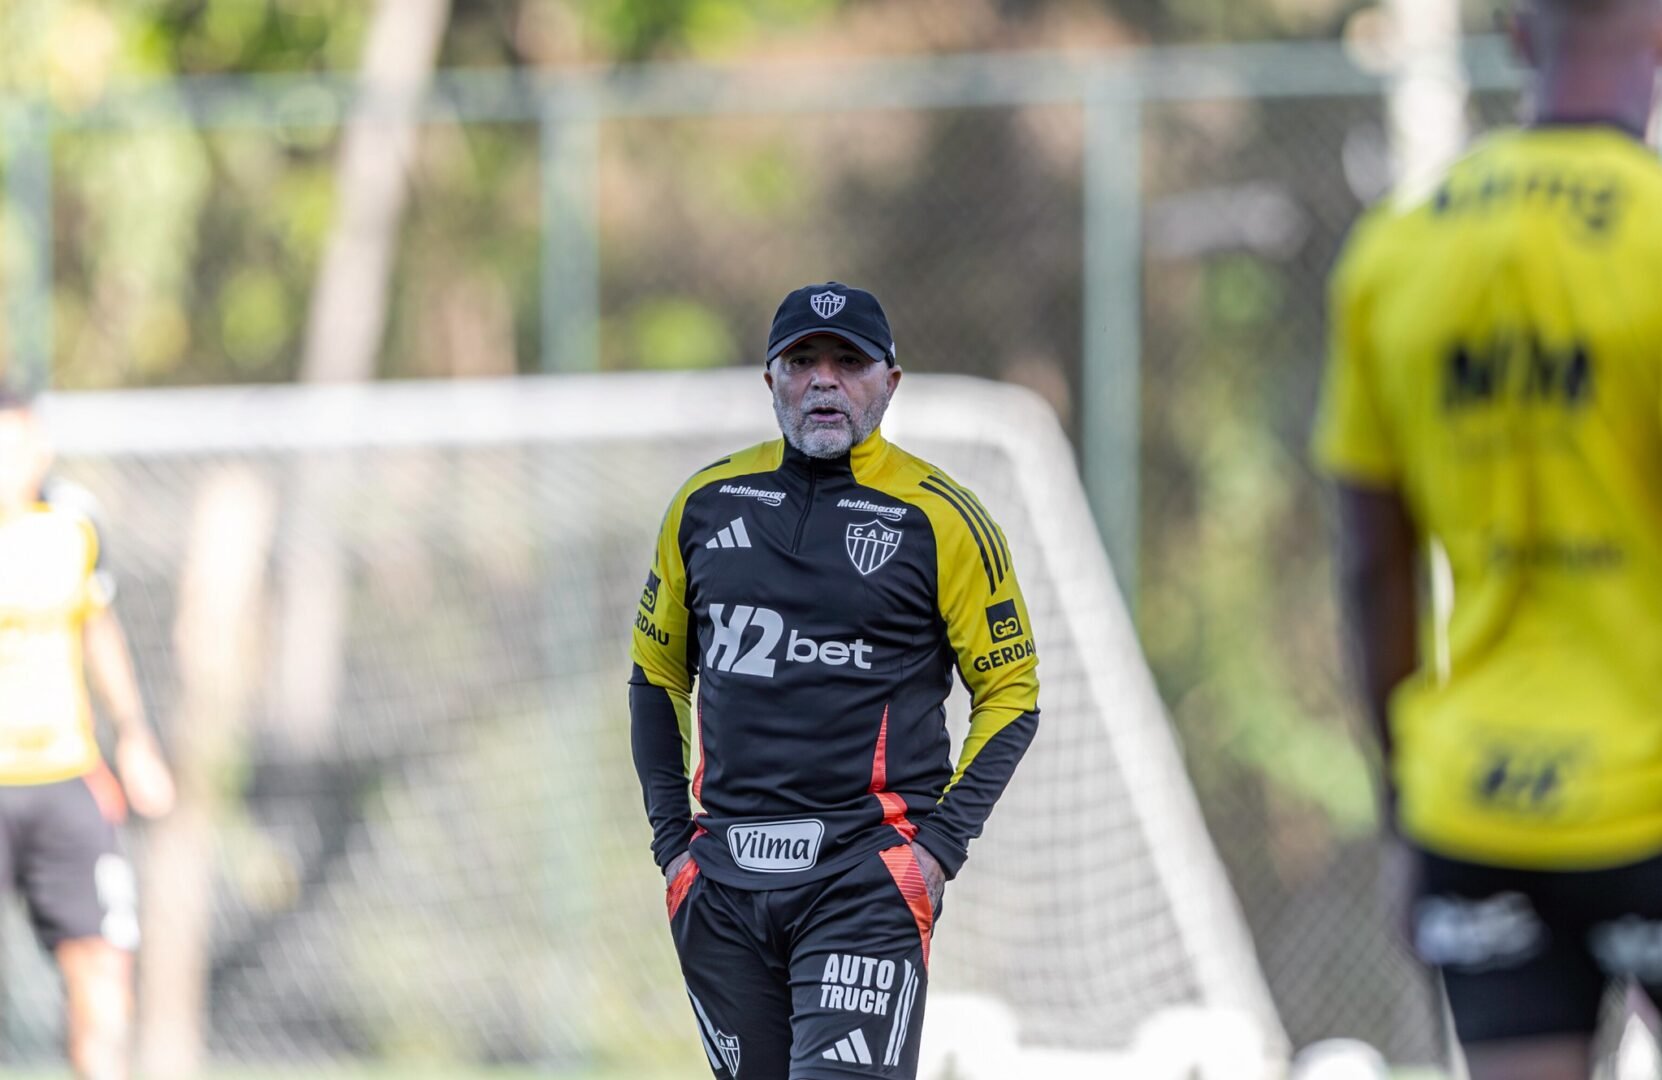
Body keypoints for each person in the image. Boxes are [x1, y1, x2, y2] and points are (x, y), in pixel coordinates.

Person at [1312, 2, 1662, 1077]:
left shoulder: (1398, 251)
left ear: (1517, 32)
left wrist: (1405, 811)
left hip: (1478, 802)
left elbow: (1375, 568)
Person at [629, 282, 1040, 1078]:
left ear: (890, 381)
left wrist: (938, 852)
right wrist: (673, 848)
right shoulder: (703, 504)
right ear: (770, 381)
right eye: (803, 361)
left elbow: (1012, 694)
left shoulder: (944, 518)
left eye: (848, 362)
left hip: (864, 883)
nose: (825, 380)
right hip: (721, 885)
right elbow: (654, 675)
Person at [0, 389, 175, 1080]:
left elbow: (97, 626)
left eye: (23, 446)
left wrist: (133, 735)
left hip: (66, 786)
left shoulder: (73, 523)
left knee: (102, 990)